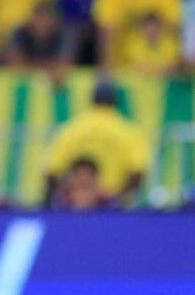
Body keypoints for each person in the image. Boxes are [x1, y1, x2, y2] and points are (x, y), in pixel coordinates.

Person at [44, 80, 149, 208]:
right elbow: (138, 173)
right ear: (116, 101)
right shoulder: (128, 131)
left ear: (91, 100)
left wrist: (64, 198)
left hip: (73, 205)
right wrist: (118, 198)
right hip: (111, 206)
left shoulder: (71, 129)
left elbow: (51, 173)